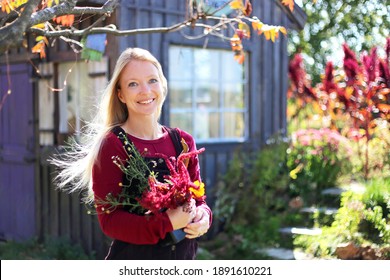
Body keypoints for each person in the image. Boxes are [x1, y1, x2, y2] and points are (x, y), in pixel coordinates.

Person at [53, 47, 212, 260]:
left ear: (163, 86)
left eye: (152, 80)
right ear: (121, 94)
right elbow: (110, 223)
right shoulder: (112, 145)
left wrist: (204, 218)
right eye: (133, 84)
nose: (145, 91)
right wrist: (168, 223)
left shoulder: (183, 142)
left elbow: (199, 199)